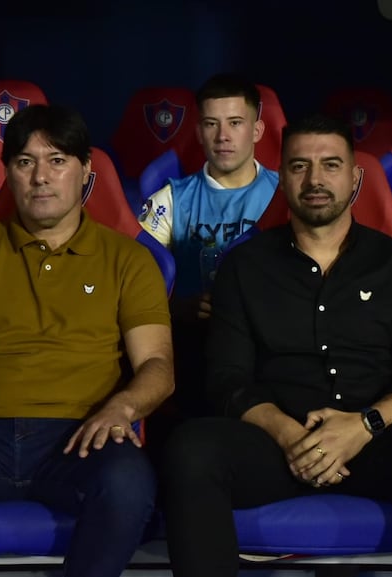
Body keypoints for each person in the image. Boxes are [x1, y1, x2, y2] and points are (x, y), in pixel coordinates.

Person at [160, 113, 392, 577]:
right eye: (299, 166)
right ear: (283, 177)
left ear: (355, 178)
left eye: (331, 165)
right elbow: (227, 380)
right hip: (275, 446)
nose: (315, 180)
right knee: (191, 449)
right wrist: (291, 436)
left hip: (375, 442)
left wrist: (362, 426)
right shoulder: (244, 267)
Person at [0, 104, 174, 577]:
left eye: (57, 161)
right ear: (8, 173)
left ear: (85, 170)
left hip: (82, 433)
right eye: (25, 162)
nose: (40, 177)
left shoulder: (128, 260)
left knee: (129, 483)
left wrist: (123, 408)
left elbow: (158, 366)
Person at [138, 72, 278, 418]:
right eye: (211, 124)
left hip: (271, 349)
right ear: (199, 131)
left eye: (235, 122)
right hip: (196, 347)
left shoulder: (286, 195)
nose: (223, 136)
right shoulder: (170, 199)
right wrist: (176, 308)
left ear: (257, 130)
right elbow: (132, 282)